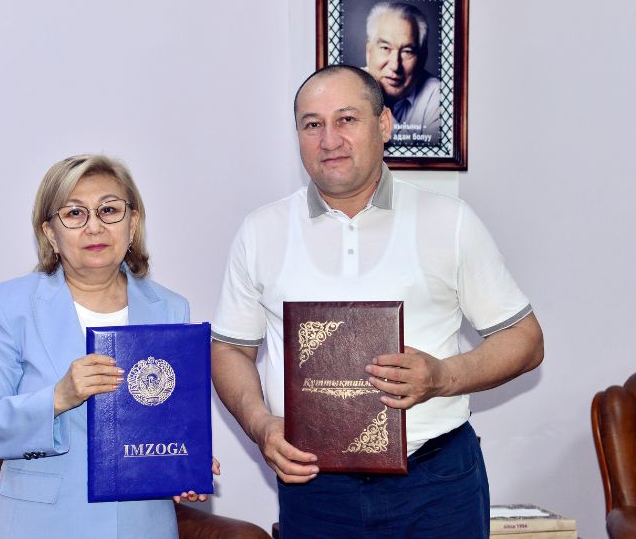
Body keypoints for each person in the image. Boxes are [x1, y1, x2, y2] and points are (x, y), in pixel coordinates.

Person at [211, 65, 543, 537]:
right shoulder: (261, 231)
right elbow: (229, 349)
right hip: (314, 488)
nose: (329, 140)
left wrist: (443, 376)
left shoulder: (449, 221)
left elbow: (526, 340)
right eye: (312, 124)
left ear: (384, 124)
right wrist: (260, 424)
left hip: (435, 483)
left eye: (346, 119)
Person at [0, 154, 217, 539]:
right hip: (42, 526)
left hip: (142, 525)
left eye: (109, 210)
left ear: (133, 223)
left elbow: (167, 423)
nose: (94, 226)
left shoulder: (170, 308)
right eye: (75, 213)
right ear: (50, 233)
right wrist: (58, 397)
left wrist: (182, 465)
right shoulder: (8, 306)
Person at [364, 1, 440, 145]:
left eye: (407, 52)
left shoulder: (439, 95)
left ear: (423, 57)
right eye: (385, 48)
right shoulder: (350, 87)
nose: (395, 66)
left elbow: (430, 156)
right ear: (369, 51)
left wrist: (376, 104)